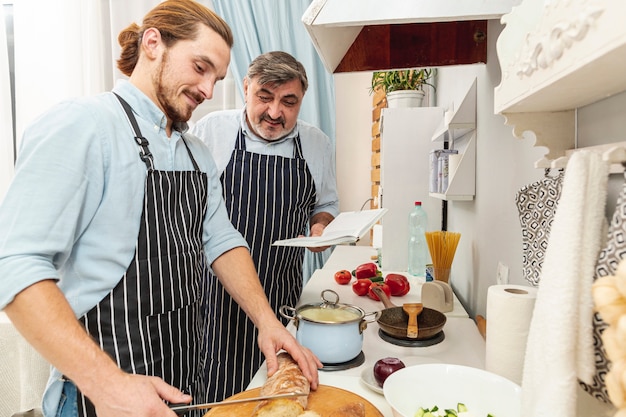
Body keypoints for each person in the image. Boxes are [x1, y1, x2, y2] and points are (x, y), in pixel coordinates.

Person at [0, 2, 320, 417]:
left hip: (184, 382)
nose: (208, 90)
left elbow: (221, 240)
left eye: (216, 78)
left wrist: (267, 321)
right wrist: (108, 385)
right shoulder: (83, 125)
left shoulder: (196, 152)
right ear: (153, 42)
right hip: (105, 393)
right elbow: (16, 264)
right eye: (200, 67)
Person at [190, 51, 339, 402]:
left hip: (282, 293)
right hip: (213, 298)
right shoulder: (210, 132)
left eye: (289, 102)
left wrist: (321, 229)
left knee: (275, 390)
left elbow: (326, 205)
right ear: (245, 88)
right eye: (264, 97)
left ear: (302, 100)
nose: (275, 113)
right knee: (214, 391)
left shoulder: (316, 144)